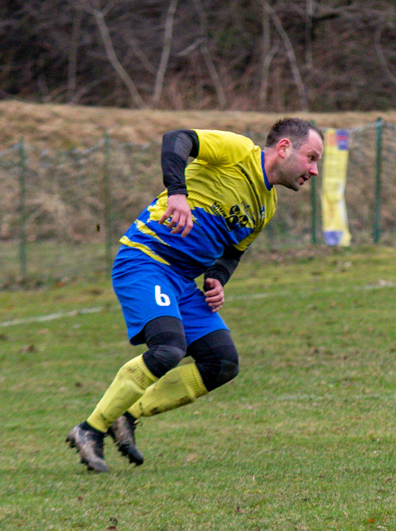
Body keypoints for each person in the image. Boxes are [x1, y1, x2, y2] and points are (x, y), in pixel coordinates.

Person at [66, 118, 323, 472]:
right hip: (146, 260)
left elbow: (234, 251)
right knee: (168, 348)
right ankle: (89, 429)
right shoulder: (237, 152)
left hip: (183, 281)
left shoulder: (267, 206)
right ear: (283, 148)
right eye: (311, 158)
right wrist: (177, 193)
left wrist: (217, 278)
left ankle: (124, 415)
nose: (314, 170)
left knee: (222, 362)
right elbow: (177, 139)